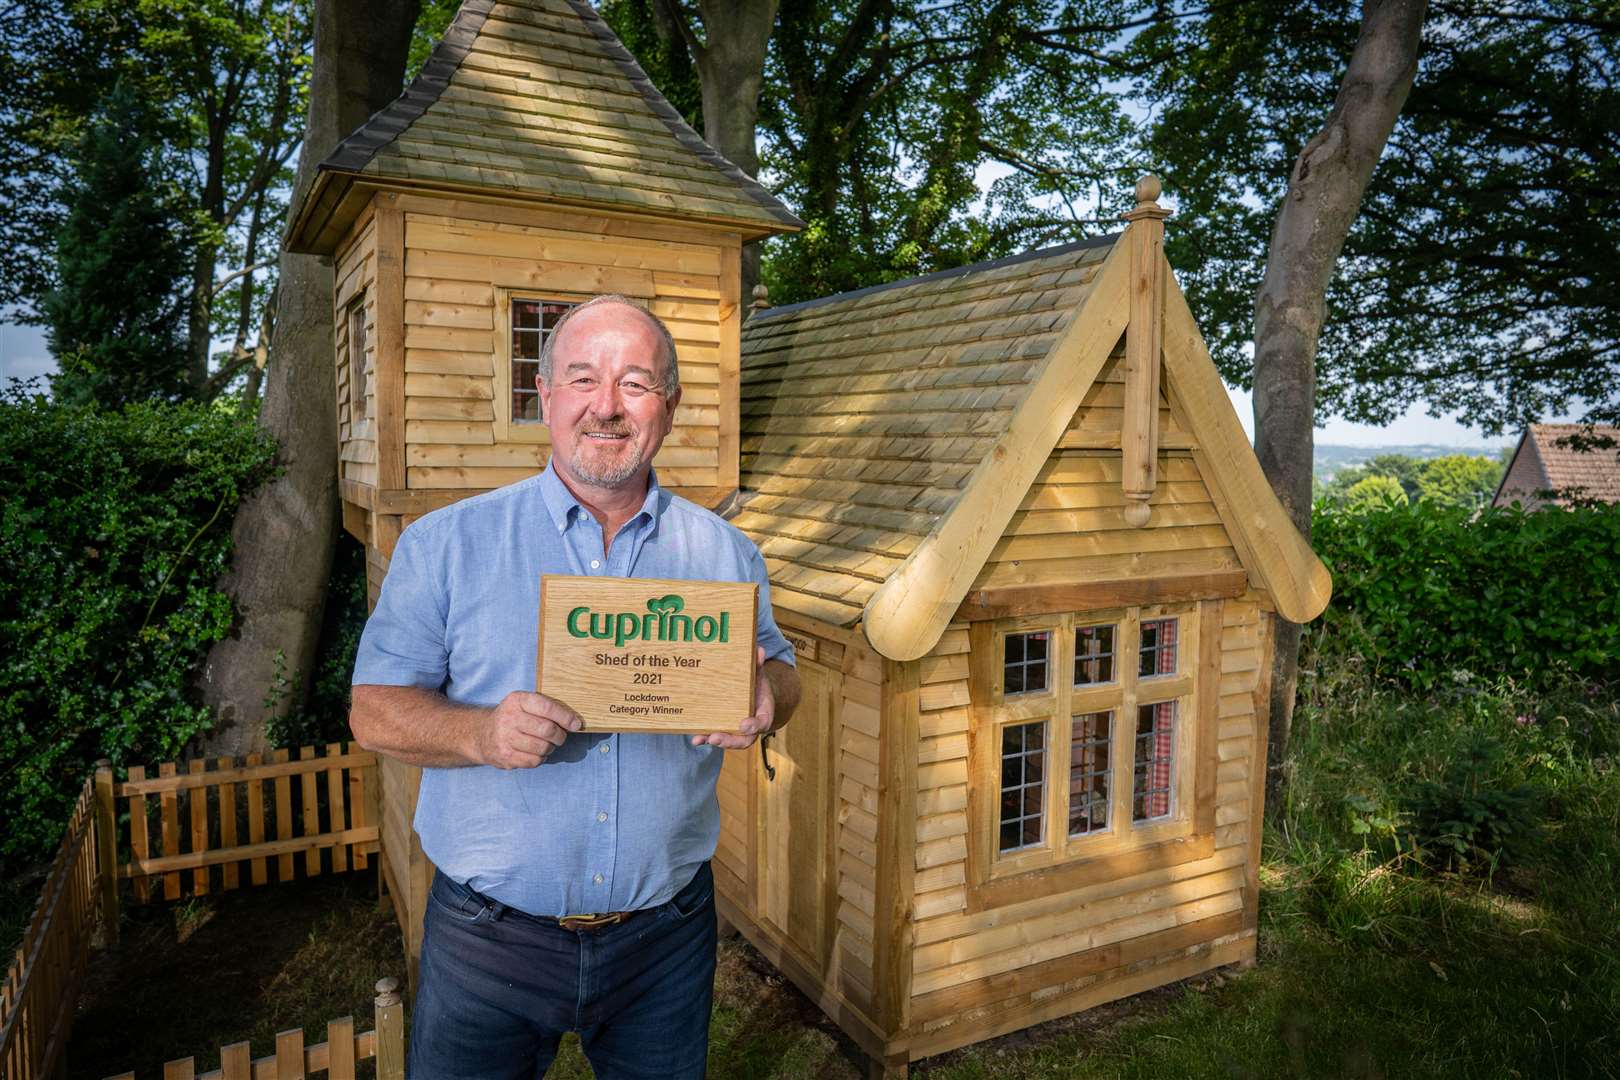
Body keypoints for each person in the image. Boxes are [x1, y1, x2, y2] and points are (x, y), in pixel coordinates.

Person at [349, 294, 800, 1079]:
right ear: (546, 394)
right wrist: (478, 733)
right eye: (584, 378)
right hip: (488, 940)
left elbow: (782, 670)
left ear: (670, 405)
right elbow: (373, 713)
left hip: (665, 938)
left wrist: (767, 701)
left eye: (636, 382)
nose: (608, 405)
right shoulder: (445, 544)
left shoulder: (727, 553)